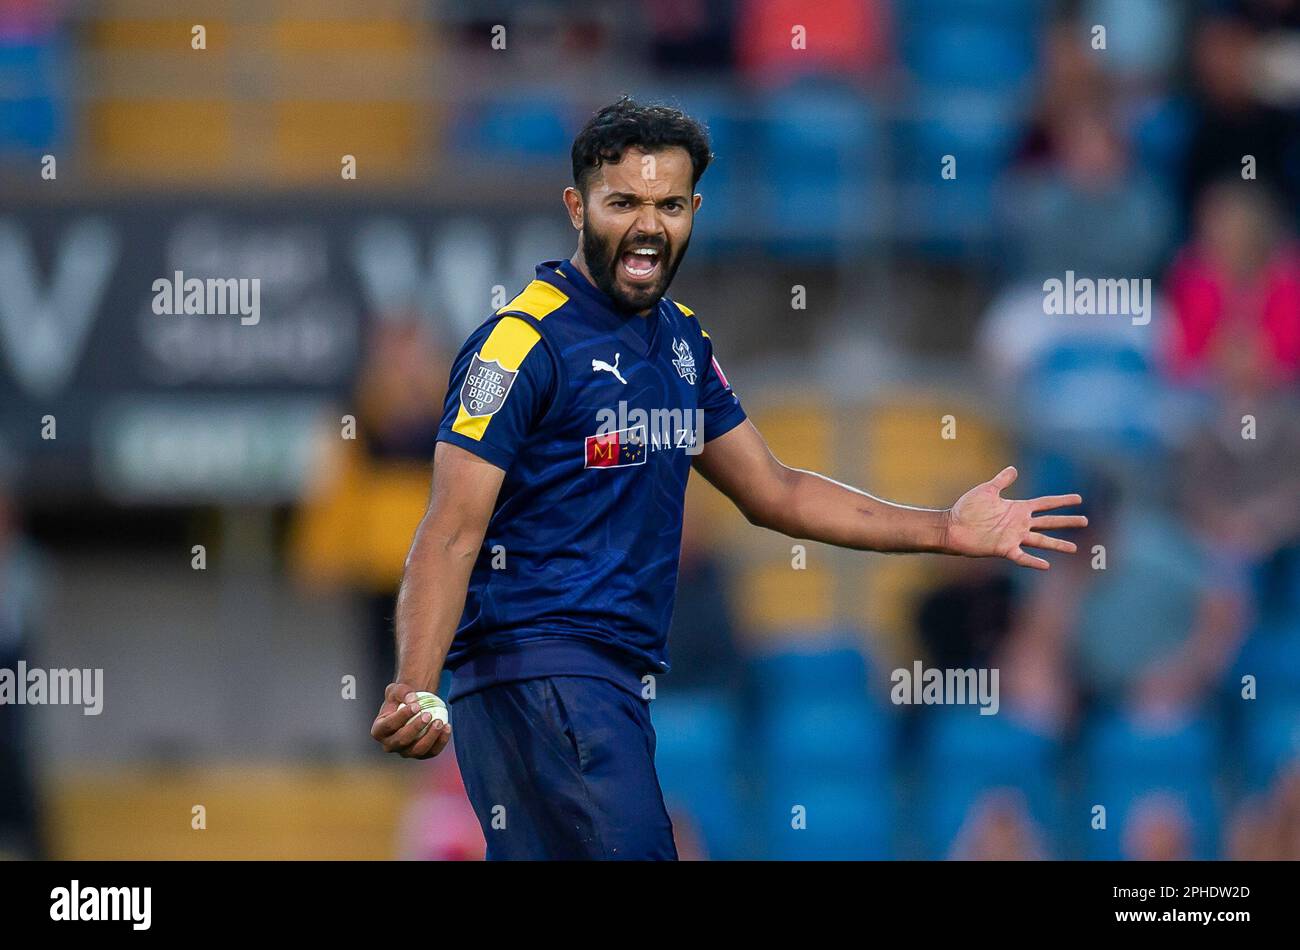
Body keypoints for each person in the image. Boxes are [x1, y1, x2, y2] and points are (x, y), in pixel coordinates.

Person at [369, 97, 1087, 860]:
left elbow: (775, 491)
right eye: (624, 203)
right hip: (544, 673)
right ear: (577, 207)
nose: (649, 226)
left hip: (603, 685)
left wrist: (943, 529)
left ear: (694, 209)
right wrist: (416, 683)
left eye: (669, 204)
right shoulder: (519, 345)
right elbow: (449, 528)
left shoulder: (681, 343)